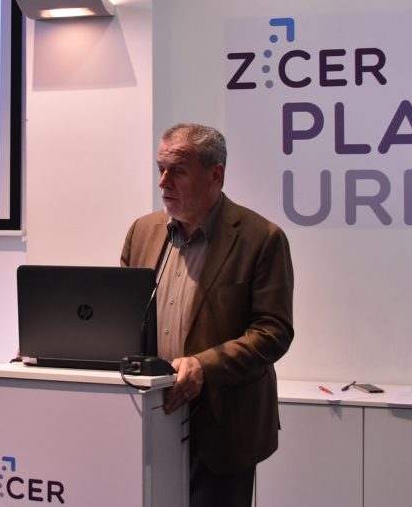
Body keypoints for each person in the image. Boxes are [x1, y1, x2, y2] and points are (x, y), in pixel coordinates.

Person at [121, 123, 294, 506]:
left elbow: (273, 331)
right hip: (149, 417)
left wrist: (204, 366)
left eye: (178, 170)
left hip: (222, 427)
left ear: (216, 175)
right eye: (160, 169)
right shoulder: (143, 232)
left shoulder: (260, 238)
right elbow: (121, 317)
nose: (163, 182)